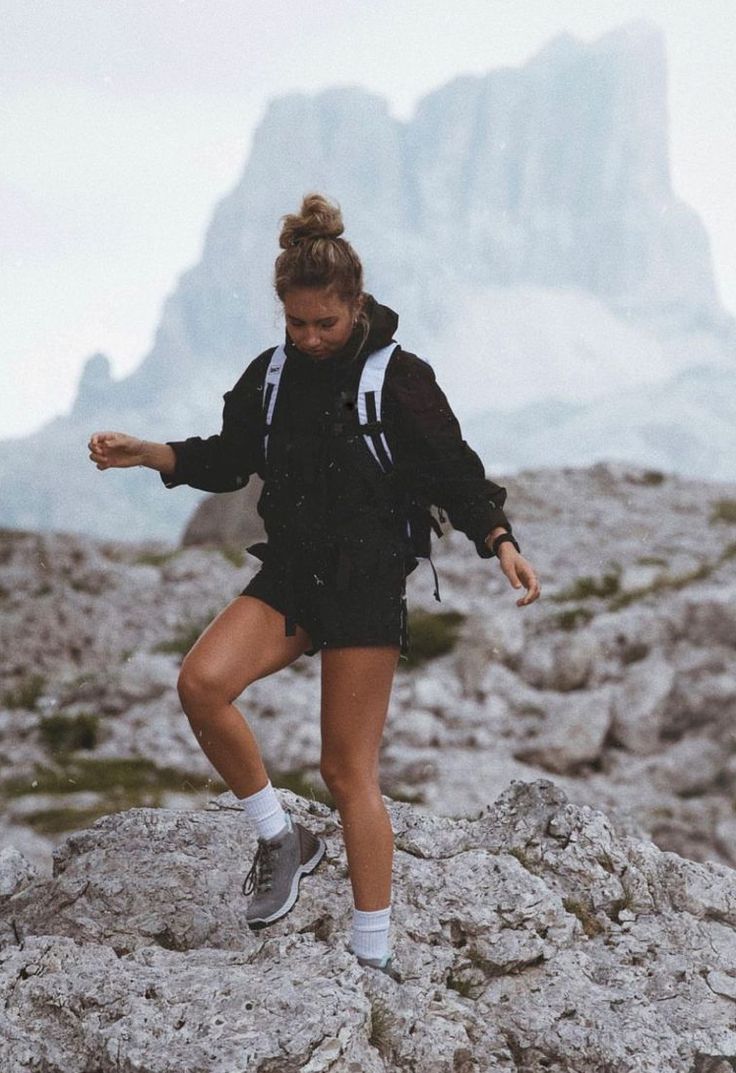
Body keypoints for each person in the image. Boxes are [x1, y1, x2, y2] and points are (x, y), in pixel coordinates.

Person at [88, 192, 540, 977]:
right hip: (294, 574)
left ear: (354, 305)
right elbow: (229, 458)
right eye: (295, 324)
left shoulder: (399, 379)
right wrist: (149, 451)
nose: (308, 338)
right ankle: (280, 836)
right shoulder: (269, 377)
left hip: (367, 585)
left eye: (323, 324)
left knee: (345, 773)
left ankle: (372, 960)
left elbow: (455, 470)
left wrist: (497, 539)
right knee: (200, 683)